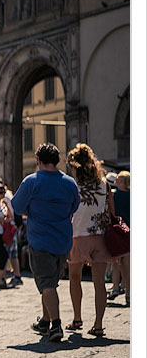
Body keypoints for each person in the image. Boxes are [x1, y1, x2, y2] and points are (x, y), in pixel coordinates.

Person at [11, 143, 80, 342]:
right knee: (50, 281)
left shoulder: (32, 181)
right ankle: (44, 321)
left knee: (47, 284)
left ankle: (56, 325)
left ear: (39, 161)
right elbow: (74, 207)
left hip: (40, 241)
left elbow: (17, 206)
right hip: (63, 241)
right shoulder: (69, 183)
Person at [64, 143, 118, 337]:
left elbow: (68, 211)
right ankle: (98, 325)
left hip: (78, 237)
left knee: (74, 277)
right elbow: (111, 211)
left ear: (76, 166)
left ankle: (77, 318)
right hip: (100, 238)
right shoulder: (104, 184)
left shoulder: (73, 185)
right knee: (99, 284)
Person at [107, 171, 130, 306]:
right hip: (125, 230)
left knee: (118, 261)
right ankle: (125, 291)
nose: (115, 182)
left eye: (118, 180)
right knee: (123, 263)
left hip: (120, 230)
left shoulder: (115, 195)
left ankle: (118, 288)